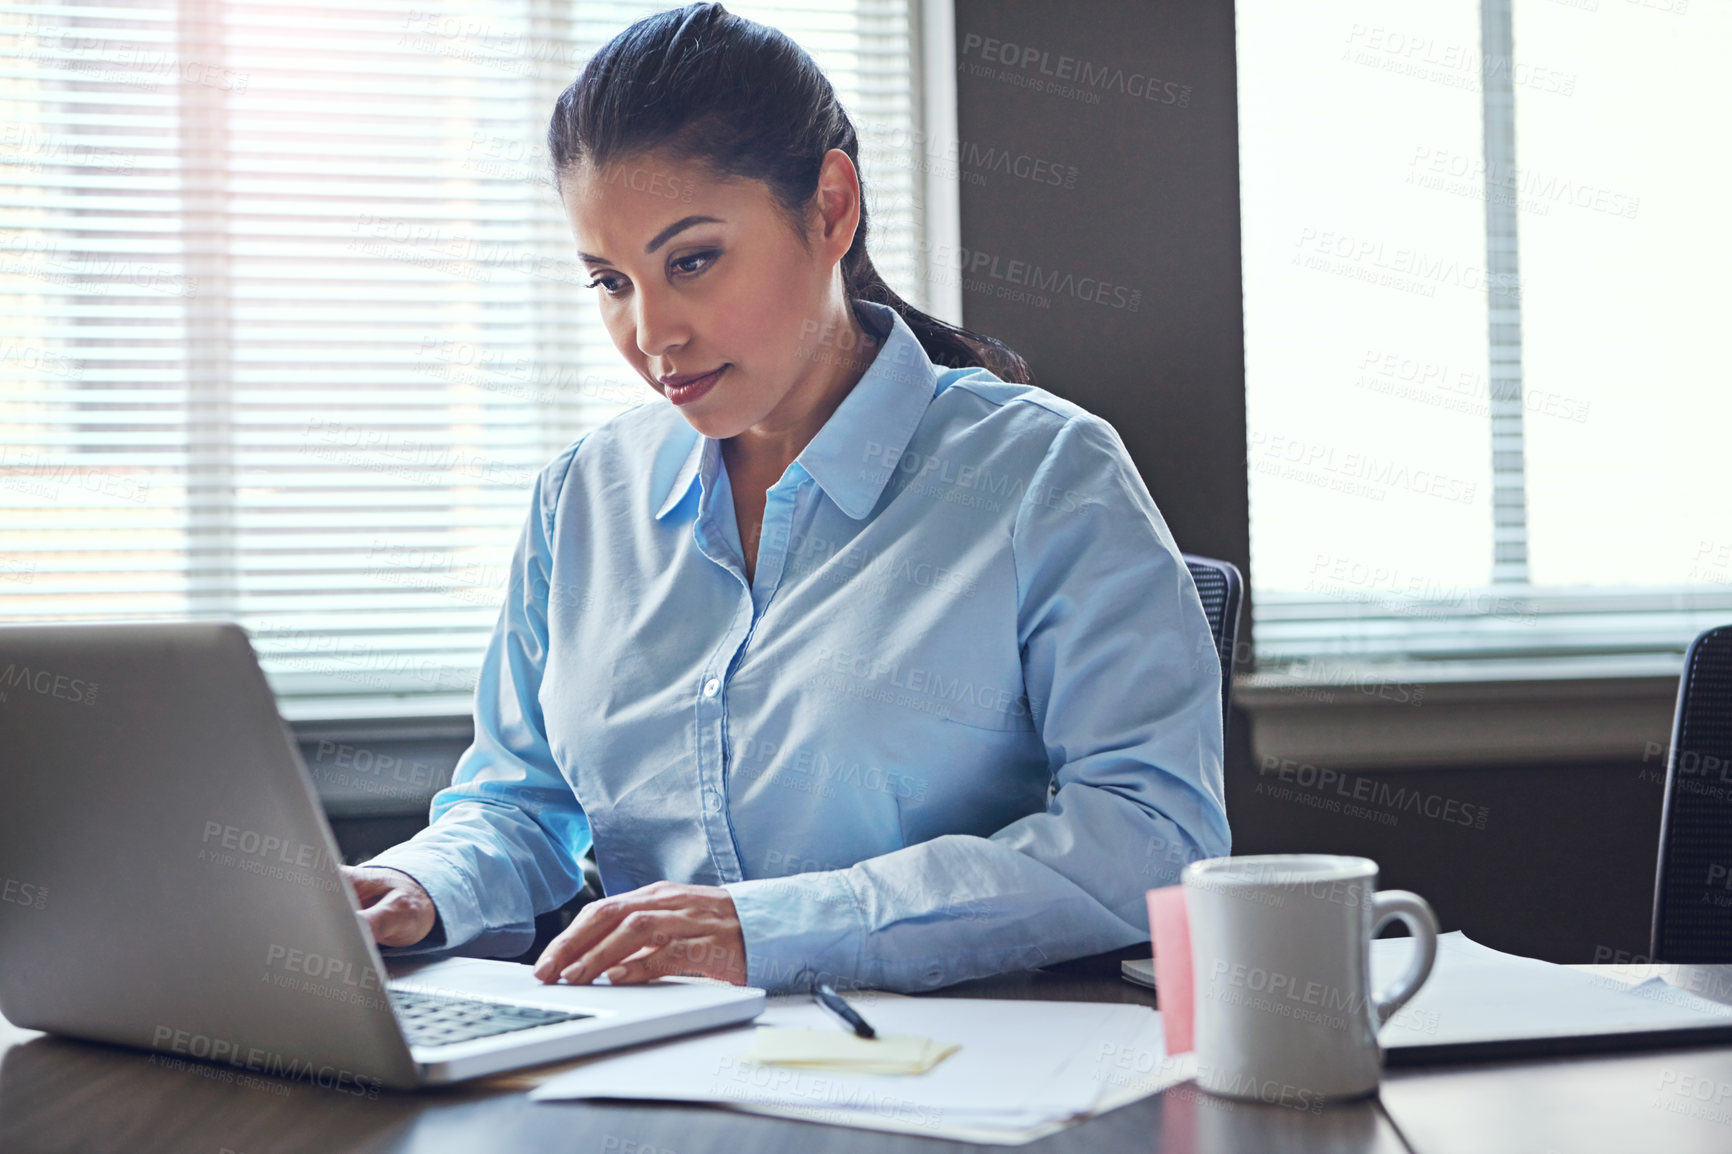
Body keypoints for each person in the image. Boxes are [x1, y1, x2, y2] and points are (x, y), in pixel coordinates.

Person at [341, 2, 1229, 995]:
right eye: (609, 281)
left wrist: (770, 927)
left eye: (692, 260)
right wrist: (413, 883)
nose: (652, 333)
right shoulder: (581, 499)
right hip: (657, 1069)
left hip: (963, 1073)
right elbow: (522, 801)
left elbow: (1152, 840)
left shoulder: (1044, 475)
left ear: (831, 207)